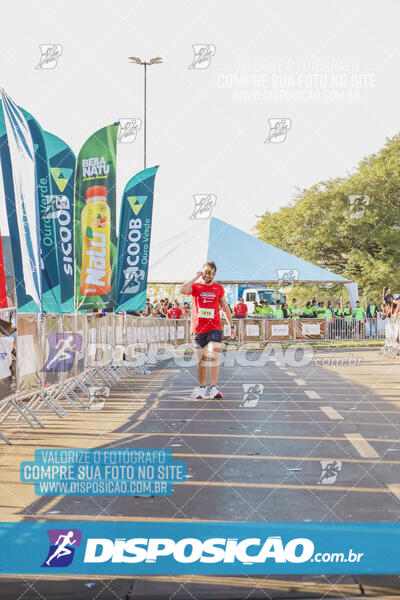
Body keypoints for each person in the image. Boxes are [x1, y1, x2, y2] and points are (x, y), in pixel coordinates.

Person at [180, 261, 234, 399]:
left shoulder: (219, 289)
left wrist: (231, 326)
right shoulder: (196, 286)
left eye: (209, 272)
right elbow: (182, 289)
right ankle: (202, 388)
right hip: (198, 328)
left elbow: (225, 307)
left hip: (214, 327)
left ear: (214, 274)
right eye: (204, 272)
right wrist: (195, 277)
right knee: (202, 359)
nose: (206, 275)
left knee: (214, 354)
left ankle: (214, 388)